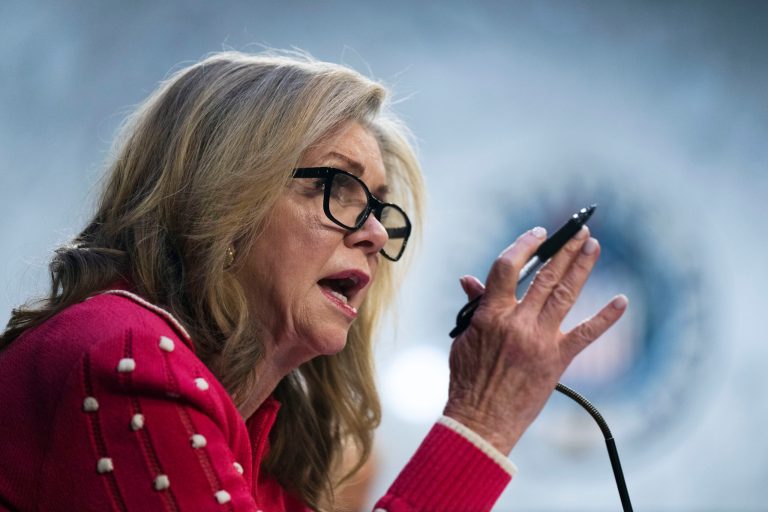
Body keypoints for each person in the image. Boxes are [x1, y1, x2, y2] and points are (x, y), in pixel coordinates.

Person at [0, 51, 627, 511]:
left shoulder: (264, 449)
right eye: (335, 185)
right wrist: (482, 422)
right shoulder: (123, 354)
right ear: (218, 198)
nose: (375, 234)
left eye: (378, 206)